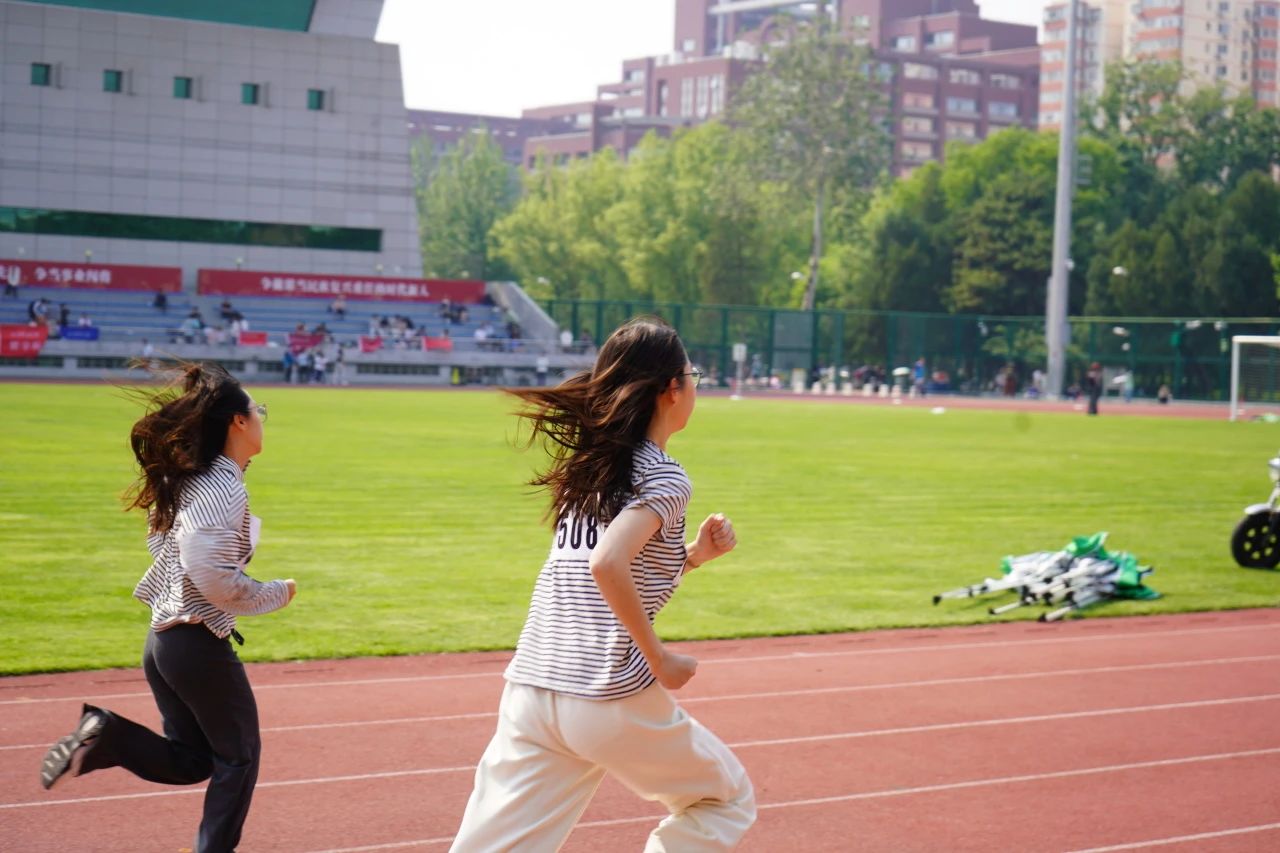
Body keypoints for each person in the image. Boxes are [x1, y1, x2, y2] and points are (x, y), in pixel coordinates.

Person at [450, 317, 755, 852]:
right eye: (694, 377)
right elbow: (607, 563)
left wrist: (693, 557)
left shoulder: (590, 470)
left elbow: (600, 568)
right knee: (724, 801)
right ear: (671, 389)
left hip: (532, 689)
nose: (695, 388)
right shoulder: (664, 476)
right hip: (604, 692)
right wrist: (660, 658)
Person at [38, 362, 296, 853]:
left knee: (192, 760)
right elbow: (211, 575)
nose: (262, 419)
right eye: (258, 411)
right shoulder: (220, 486)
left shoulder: (192, 481)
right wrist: (274, 593)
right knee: (239, 757)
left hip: (165, 642)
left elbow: (164, 546)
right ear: (238, 421)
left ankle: (108, 735)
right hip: (195, 642)